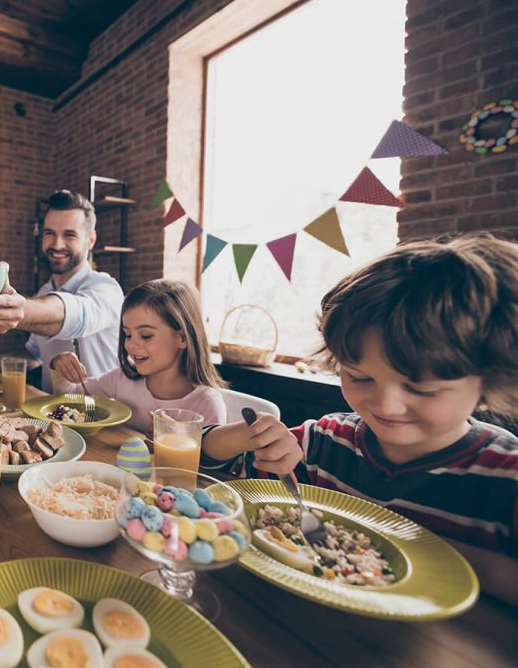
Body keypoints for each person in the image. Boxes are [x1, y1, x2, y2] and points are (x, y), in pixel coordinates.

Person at [199, 235, 518, 596]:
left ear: (489, 379)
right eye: (359, 377)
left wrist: (388, 541)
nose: (386, 405)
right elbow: (209, 463)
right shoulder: (324, 442)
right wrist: (249, 437)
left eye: (423, 389)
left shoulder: (505, 479)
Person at [0, 190, 123, 392]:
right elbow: (35, 354)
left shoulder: (106, 288)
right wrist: (0, 361)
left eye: (69, 235)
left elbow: (75, 315)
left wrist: (20, 309)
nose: (57, 244)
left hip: (101, 418)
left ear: (91, 240)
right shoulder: (45, 291)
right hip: (49, 416)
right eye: (49, 233)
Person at [52, 279, 226, 434]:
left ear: (182, 338)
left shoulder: (206, 403)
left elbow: (208, 467)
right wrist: (60, 367)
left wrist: (174, 440)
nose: (130, 345)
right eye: (127, 335)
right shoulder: (122, 379)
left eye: (146, 335)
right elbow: (71, 395)